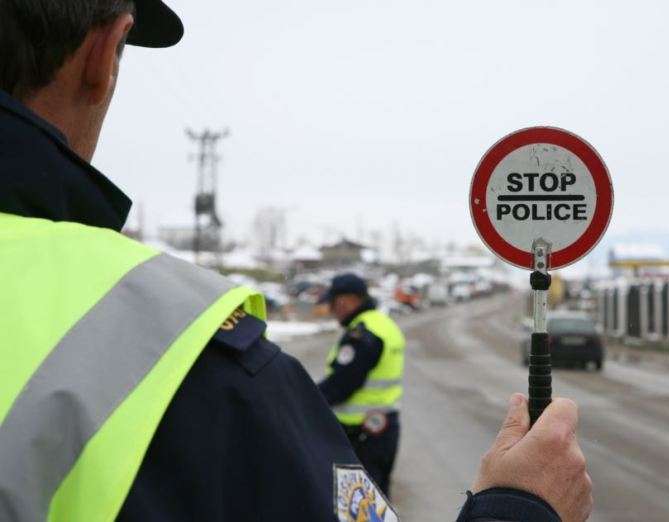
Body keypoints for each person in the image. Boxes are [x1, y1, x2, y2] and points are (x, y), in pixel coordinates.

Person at [0, 1, 592, 521]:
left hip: (375, 432)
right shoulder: (180, 352)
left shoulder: (358, 332)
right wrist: (521, 510)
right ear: (104, 54)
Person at [317, 273, 405, 498]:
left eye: (333, 303)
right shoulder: (382, 323)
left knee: (359, 503)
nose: (332, 310)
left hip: (361, 435)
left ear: (345, 301)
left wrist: (308, 399)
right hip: (381, 429)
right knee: (376, 501)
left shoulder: (362, 333)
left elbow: (343, 383)